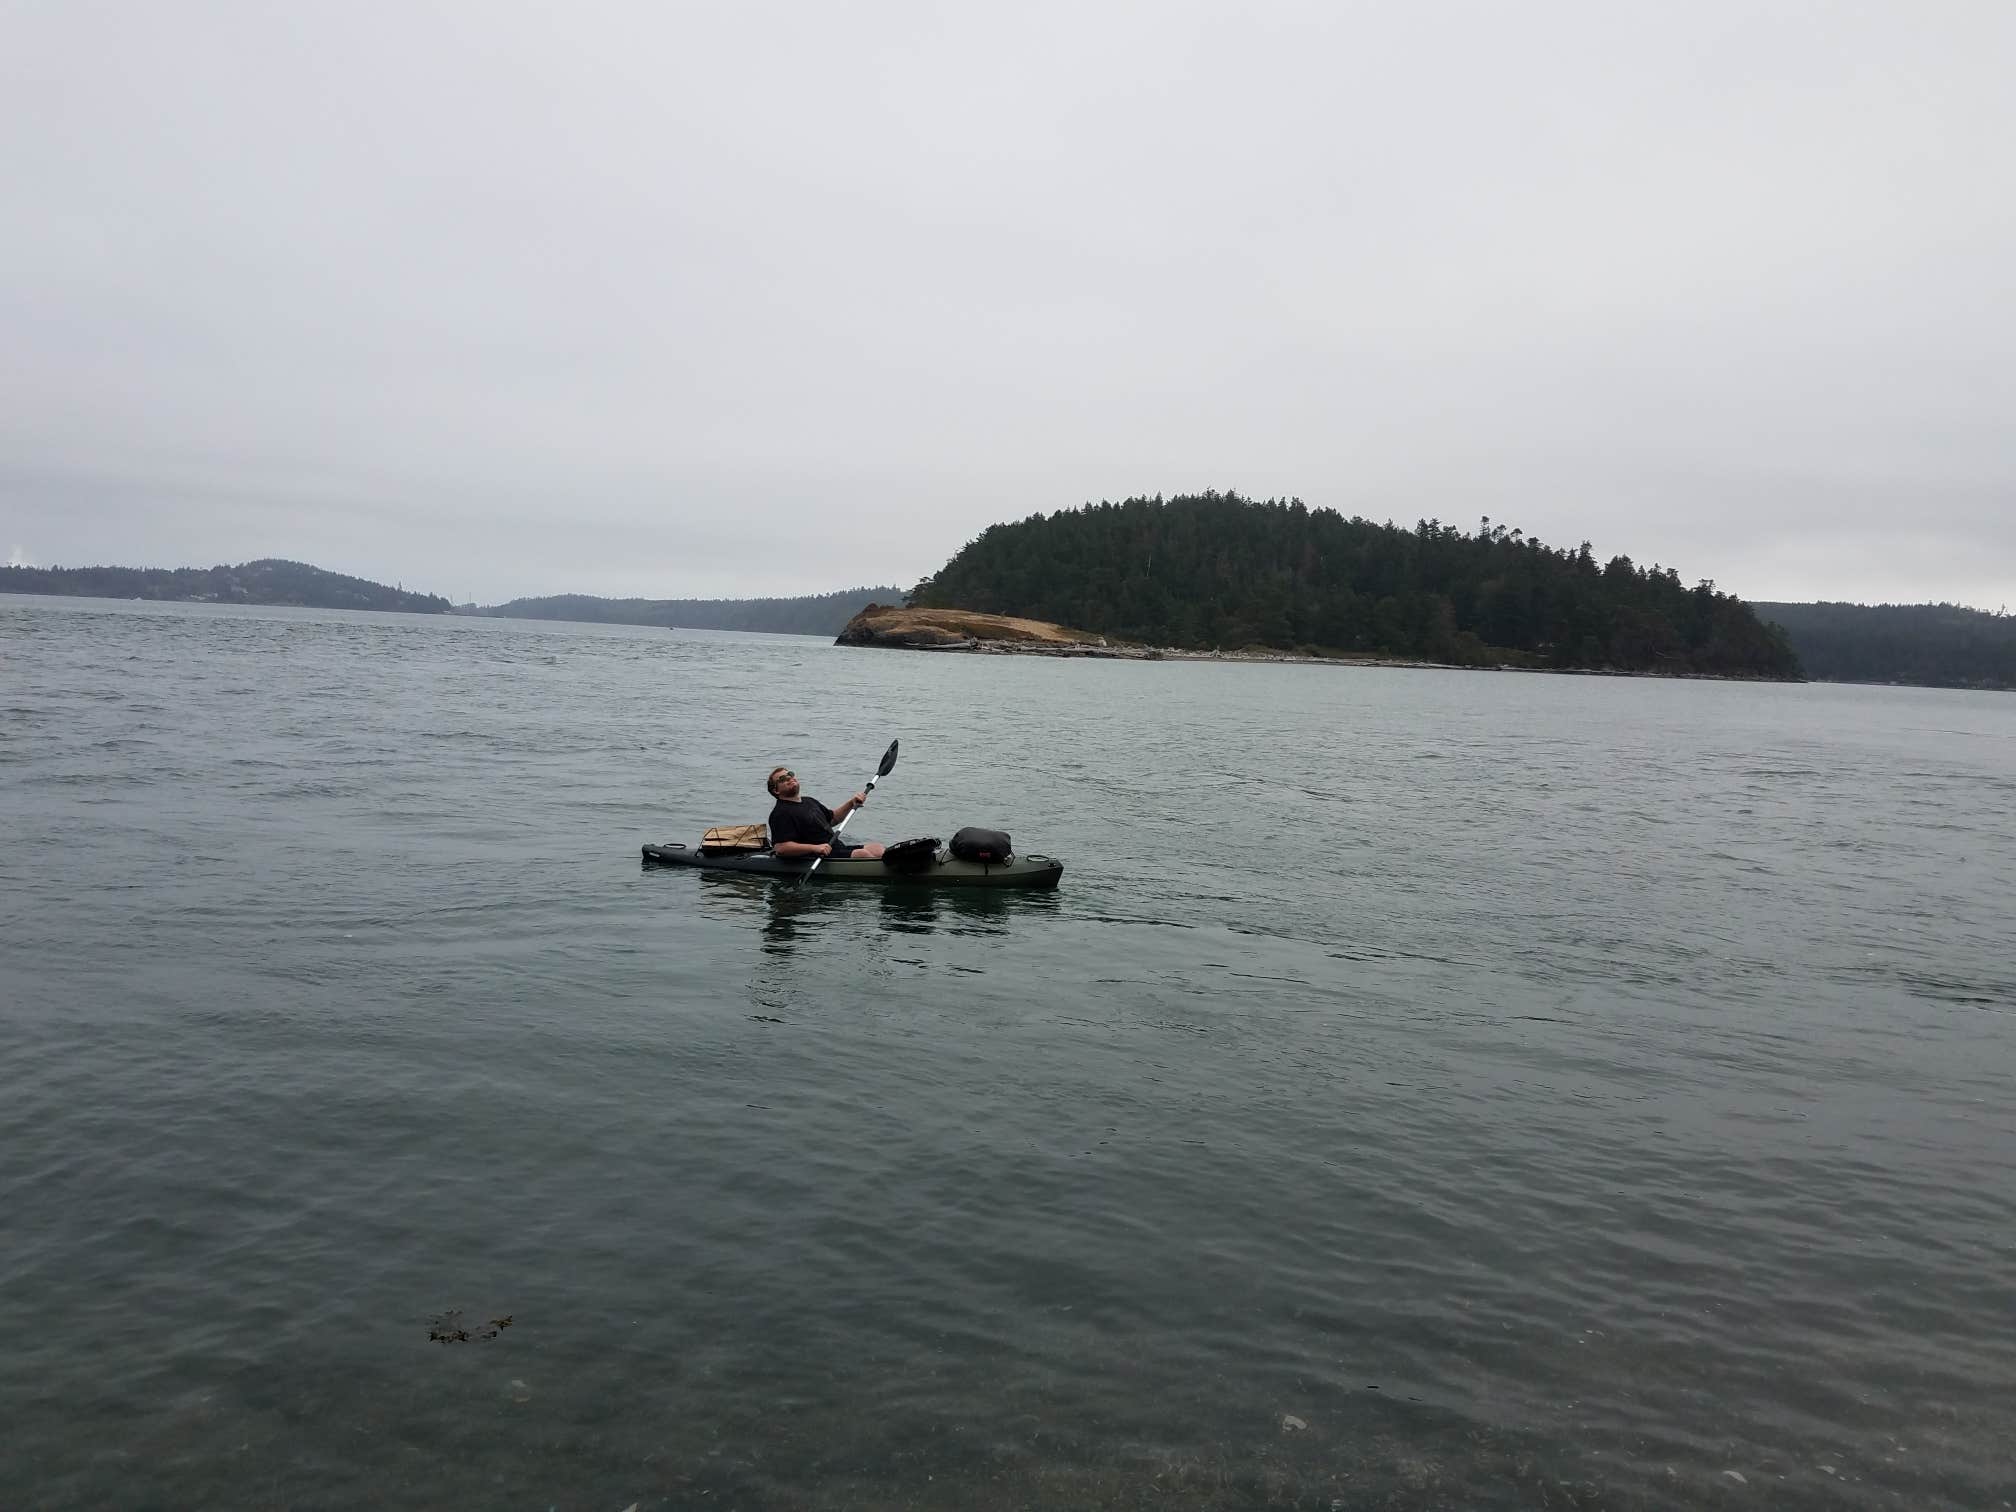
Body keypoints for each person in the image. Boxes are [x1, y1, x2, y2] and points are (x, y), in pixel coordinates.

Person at [766, 766, 886, 860]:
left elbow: (832, 819)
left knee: (878, 848)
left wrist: (851, 803)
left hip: (835, 848)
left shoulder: (809, 801)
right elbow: (781, 848)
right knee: (862, 855)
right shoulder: (780, 813)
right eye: (782, 779)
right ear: (776, 790)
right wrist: (815, 848)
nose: (789, 778)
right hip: (815, 856)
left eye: (790, 774)